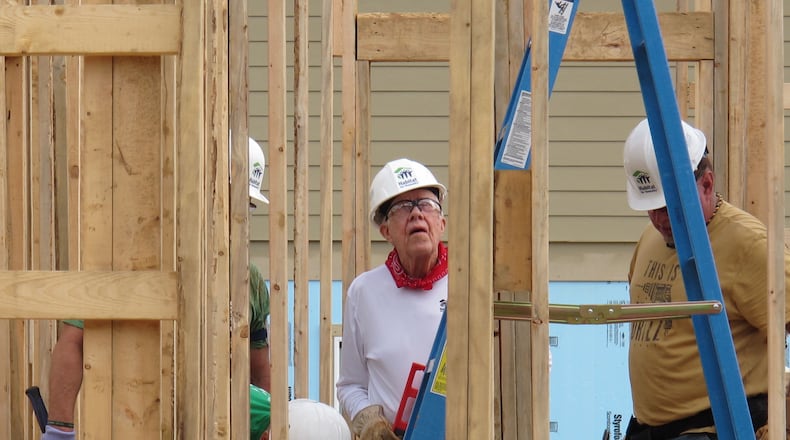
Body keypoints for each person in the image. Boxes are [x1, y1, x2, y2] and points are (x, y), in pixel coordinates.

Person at [42, 137, 272, 440]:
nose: (235, 215)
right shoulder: (139, 260)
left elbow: (258, 367)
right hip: (134, 416)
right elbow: (72, 341)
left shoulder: (248, 279)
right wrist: (60, 429)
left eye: (246, 206)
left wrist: (269, 422)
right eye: (231, 201)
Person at [622, 118, 790, 440]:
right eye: (651, 208)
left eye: (669, 206)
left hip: (711, 430)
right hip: (650, 429)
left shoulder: (748, 245)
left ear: (707, 184)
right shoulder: (650, 240)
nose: (660, 219)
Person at [336, 158, 449, 440]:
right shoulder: (364, 293)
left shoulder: (473, 287)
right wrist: (370, 423)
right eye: (402, 207)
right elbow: (350, 385)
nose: (416, 214)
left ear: (442, 223)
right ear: (385, 230)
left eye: (426, 204)